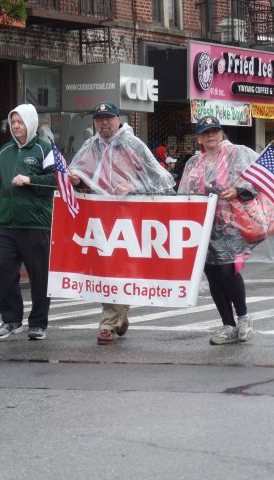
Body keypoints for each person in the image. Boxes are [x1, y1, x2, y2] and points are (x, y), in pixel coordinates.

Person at [67, 102, 175, 345]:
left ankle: (108, 324)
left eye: (109, 118)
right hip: (100, 217)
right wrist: (74, 179)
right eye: (99, 119)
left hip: (130, 217)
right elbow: (77, 172)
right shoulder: (90, 146)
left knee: (119, 267)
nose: (104, 123)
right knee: (106, 268)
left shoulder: (133, 145)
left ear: (118, 119)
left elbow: (163, 180)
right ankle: (119, 314)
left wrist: (133, 188)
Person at [0, 104, 56, 340]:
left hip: (36, 225)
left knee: (39, 277)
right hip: (6, 226)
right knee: (3, 272)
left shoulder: (45, 150)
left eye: (20, 122)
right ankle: (11, 320)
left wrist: (29, 179)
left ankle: (38, 324)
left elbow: (56, 181)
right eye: (13, 123)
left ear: (31, 124)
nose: (16, 127)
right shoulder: (3, 152)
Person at [178, 115, 258, 345]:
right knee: (212, 274)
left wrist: (238, 190)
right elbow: (184, 192)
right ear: (199, 138)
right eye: (205, 132)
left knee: (227, 270)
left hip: (231, 224)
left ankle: (243, 317)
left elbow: (254, 180)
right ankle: (228, 325)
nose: (210, 135)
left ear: (221, 133)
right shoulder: (193, 163)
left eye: (214, 130)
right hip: (203, 225)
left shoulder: (237, 153)